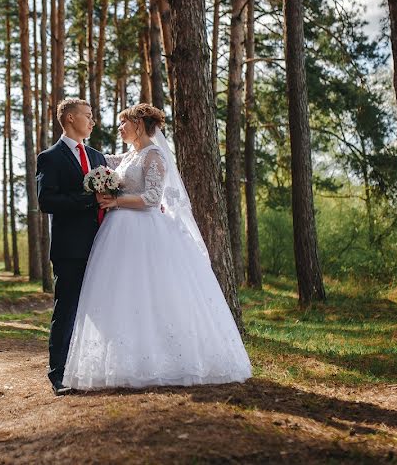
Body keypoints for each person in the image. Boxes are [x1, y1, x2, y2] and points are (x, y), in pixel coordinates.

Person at [62, 103, 252, 390]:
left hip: (146, 232)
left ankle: (167, 360)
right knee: (125, 295)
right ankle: (128, 359)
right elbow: (100, 162)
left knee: (154, 294)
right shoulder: (130, 155)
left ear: (138, 124)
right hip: (120, 233)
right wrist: (76, 145)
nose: (119, 128)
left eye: (124, 123)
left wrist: (115, 201)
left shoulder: (154, 155)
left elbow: (152, 198)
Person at [36, 98, 106, 396]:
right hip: (70, 248)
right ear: (69, 119)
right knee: (67, 310)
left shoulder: (97, 156)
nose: (92, 122)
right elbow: (46, 201)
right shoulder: (49, 157)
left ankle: (98, 367)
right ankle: (59, 374)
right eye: (87, 116)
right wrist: (88, 200)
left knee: (103, 308)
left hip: (104, 245)